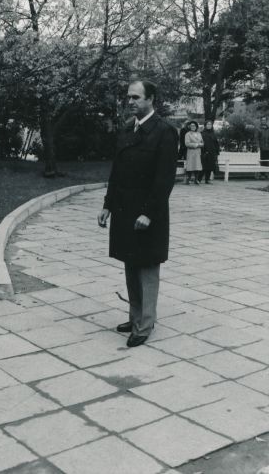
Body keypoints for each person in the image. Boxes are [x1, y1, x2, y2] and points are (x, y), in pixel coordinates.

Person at [98, 80, 178, 348]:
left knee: (146, 268)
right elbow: (117, 172)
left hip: (147, 214)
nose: (130, 101)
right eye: (129, 97)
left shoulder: (165, 132)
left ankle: (145, 324)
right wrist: (107, 205)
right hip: (123, 210)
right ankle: (135, 318)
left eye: (136, 97)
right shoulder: (126, 130)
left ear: (151, 99)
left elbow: (164, 180)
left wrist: (149, 213)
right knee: (130, 265)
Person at [200, 120, 220, 184]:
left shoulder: (213, 133)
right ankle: (198, 179)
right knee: (203, 167)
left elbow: (216, 143)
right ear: (205, 125)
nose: (209, 126)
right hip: (205, 152)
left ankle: (207, 179)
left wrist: (217, 152)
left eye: (210, 124)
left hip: (212, 152)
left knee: (210, 166)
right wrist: (204, 151)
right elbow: (201, 143)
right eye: (208, 124)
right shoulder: (202, 133)